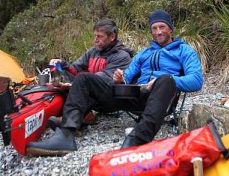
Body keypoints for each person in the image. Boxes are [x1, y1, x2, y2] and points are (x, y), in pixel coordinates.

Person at [27, 10, 203, 156]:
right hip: (135, 95)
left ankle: (137, 139)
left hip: (161, 97)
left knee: (165, 79)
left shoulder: (184, 51)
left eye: (162, 27)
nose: (158, 32)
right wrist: (121, 78)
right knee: (84, 78)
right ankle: (66, 133)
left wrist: (161, 80)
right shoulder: (144, 53)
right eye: (154, 28)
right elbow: (128, 75)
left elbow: (196, 80)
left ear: (170, 29)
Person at [26, 19, 133, 156]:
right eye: (95, 36)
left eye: (99, 37)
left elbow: (105, 79)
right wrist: (62, 65)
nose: (95, 40)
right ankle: (82, 116)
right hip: (92, 94)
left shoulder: (122, 56)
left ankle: (66, 134)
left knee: (83, 79)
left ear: (112, 37)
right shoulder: (93, 52)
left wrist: (74, 83)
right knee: (64, 75)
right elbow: (74, 69)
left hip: (111, 99)